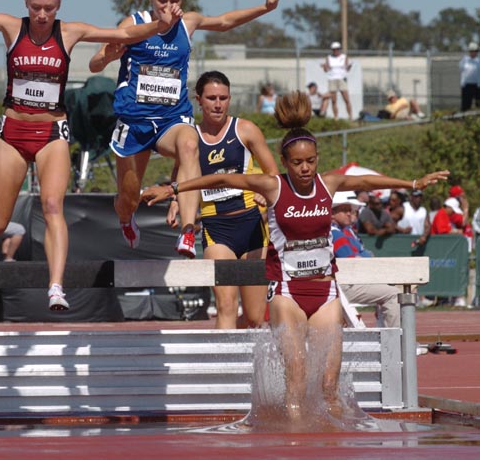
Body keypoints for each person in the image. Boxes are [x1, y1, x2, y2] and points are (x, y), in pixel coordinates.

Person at [141, 90, 448, 420]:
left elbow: (367, 180)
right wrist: (173, 189)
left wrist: (413, 182)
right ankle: (292, 441)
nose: (305, 169)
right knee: (297, 383)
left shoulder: (328, 184)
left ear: (318, 158)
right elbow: (223, 176)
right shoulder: (274, 186)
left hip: (325, 291)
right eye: (297, 163)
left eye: (311, 161)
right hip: (287, 292)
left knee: (330, 388)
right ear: (285, 162)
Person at [0, 0, 180, 310]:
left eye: (48, 9)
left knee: (53, 205)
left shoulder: (68, 32)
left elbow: (120, 36)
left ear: (58, 8)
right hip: (13, 132)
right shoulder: (11, 27)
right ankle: (0, 250)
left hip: (53, 132)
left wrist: (162, 25)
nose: (41, 15)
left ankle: (56, 285)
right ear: (26, 2)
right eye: (36, 7)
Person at [89, 0, 286, 258]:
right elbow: (94, 65)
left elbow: (224, 21)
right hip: (135, 121)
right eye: (162, 1)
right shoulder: (135, 21)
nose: (169, 7)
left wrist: (265, 7)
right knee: (128, 196)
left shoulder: (187, 23)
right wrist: (109, 55)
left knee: (190, 145)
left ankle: (188, 230)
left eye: (175, 1)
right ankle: (126, 218)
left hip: (172, 119)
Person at [176, 71, 279, 329]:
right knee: (225, 306)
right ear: (199, 100)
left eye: (223, 98)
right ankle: (223, 369)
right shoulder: (189, 138)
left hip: (252, 226)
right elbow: (180, 178)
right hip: (216, 228)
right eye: (211, 98)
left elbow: (273, 172)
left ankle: (244, 364)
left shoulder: (245, 129)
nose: (218, 104)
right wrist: (176, 202)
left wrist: (264, 192)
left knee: (255, 318)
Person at [330, 191, 400, 328]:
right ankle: (394, 342)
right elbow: (353, 263)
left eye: (351, 210)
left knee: (401, 289)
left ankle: (396, 337)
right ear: (331, 214)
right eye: (345, 211)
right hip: (343, 286)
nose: (351, 213)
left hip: (344, 282)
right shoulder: (335, 234)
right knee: (395, 294)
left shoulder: (339, 232)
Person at [322, 42, 353, 120]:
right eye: (334, 49)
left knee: (346, 99)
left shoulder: (344, 57)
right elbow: (326, 70)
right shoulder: (329, 57)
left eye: (337, 49)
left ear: (339, 49)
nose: (336, 51)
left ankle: (350, 116)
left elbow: (347, 69)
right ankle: (336, 117)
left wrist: (349, 66)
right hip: (332, 80)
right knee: (333, 100)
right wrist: (324, 67)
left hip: (342, 79)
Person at [459, 42, 479, 111]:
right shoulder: (465, 60)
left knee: (478, 103)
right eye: (472, 51)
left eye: (475, 51)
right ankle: (464, 119)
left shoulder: (478, 61)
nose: (473, 52)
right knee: (466, 104)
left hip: (477, 86)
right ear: (469, 51)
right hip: (466, 86)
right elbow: (461, 69)